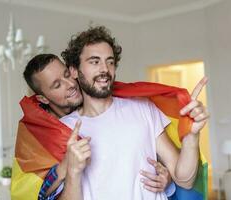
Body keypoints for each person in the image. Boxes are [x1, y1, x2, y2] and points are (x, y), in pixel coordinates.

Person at [58, 26, 209, 199]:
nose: (105, 69)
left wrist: (192, 135)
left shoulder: (142, 108)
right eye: (94, 61)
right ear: (74, 71)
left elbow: (184, 180)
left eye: (110, 61)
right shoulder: (63, 129)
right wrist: (73, 172)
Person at [10, 54, 174, 200]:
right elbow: (36, 194)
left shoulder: (107, 100)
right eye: (57, 85)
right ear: (43, 99)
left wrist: (166, 177)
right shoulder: (38, 137)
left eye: (67, 74)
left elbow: (141, 154)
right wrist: (66, 166)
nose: (70, 84)